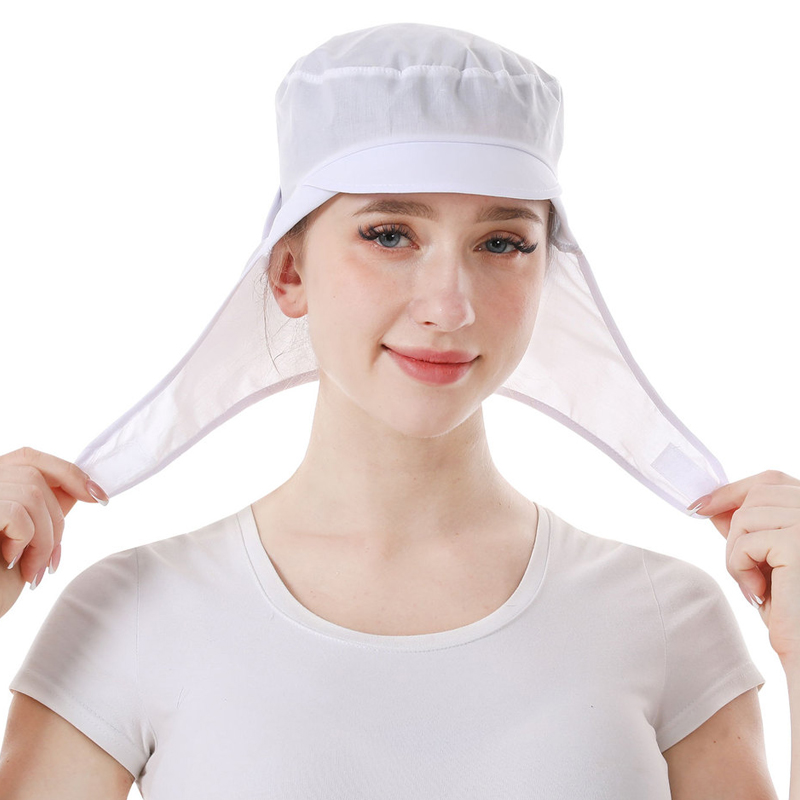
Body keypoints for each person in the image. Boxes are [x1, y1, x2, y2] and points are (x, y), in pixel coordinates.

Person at [0, 22, 797, 799]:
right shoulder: (133, 611)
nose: (449, 306)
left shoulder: (663, 615)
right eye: (389, 235)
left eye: (503, 243)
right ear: (288, 274)